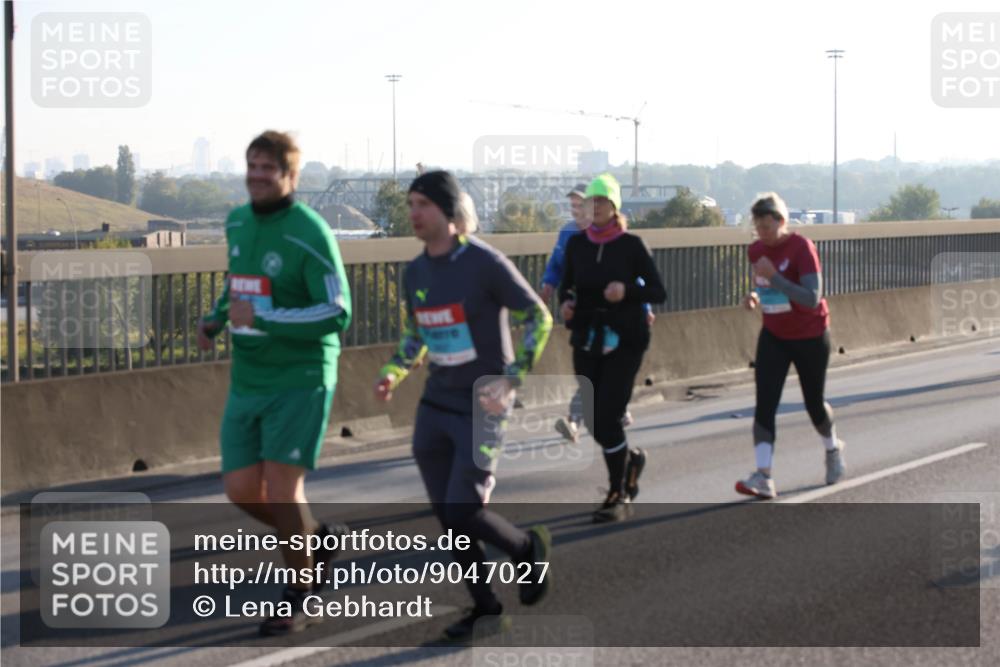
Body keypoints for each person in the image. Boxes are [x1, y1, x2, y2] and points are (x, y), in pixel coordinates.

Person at [373, 171, 554, 641]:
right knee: (449, 518)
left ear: (450, 213)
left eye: (423, 205)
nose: (413, 213)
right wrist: (393, 372)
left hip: (482, 405)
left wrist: (512, 380)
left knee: (463, 509)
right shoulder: (415, 271)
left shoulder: (484, 263)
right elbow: (418, 335)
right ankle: (486, 606)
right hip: (435, 403)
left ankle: (526, 549)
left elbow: (538, 315)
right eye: (410, 204)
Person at [197, 130, 352, 636]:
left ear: (291, 177)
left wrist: (266, 318)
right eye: (253, 165)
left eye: (270, 168)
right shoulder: (237, 220)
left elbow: (338, 310)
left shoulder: (309, 231)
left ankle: (299, 594)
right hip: (249, 376)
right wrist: (217, 319)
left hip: (302, 375)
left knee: (284, 490)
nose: (258, 175)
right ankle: (314, 539)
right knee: (241, 489)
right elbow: (237, 282)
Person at [558, 173, 666, 522]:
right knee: (593, 419)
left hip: (626, 340)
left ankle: (617, 492)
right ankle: (631, 462)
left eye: (601, 201)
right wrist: (566, 305)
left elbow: (657, 292)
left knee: (607, 415)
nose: (595, 207)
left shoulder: (632, 245)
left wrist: (626, 292)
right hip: (588, 339)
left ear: (614, 206)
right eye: (590, 202)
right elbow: (567, 287)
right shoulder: (577, 245)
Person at [735, 192, 846, 500]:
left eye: (767, 227)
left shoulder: (801, 248)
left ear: (781, 222)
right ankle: (764, 476)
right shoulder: (755, 250)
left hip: (810, 336)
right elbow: (764, 282)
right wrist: (754, 295)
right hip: (774, 335)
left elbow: (812, 297)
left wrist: (776, 277)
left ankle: (832, 448)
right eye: (757, 228)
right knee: (765, 404)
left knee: (813, 404)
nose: (762, 234)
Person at [545, 184, 652, 444]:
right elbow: (557, 265)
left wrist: (645, 308)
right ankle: (591, 416)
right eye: (573, 205)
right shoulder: (568, 233)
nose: (577, 210)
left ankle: (595, 415)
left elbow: (636, 277)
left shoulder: (617, 237)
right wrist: (547, 286)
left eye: (581, 204)